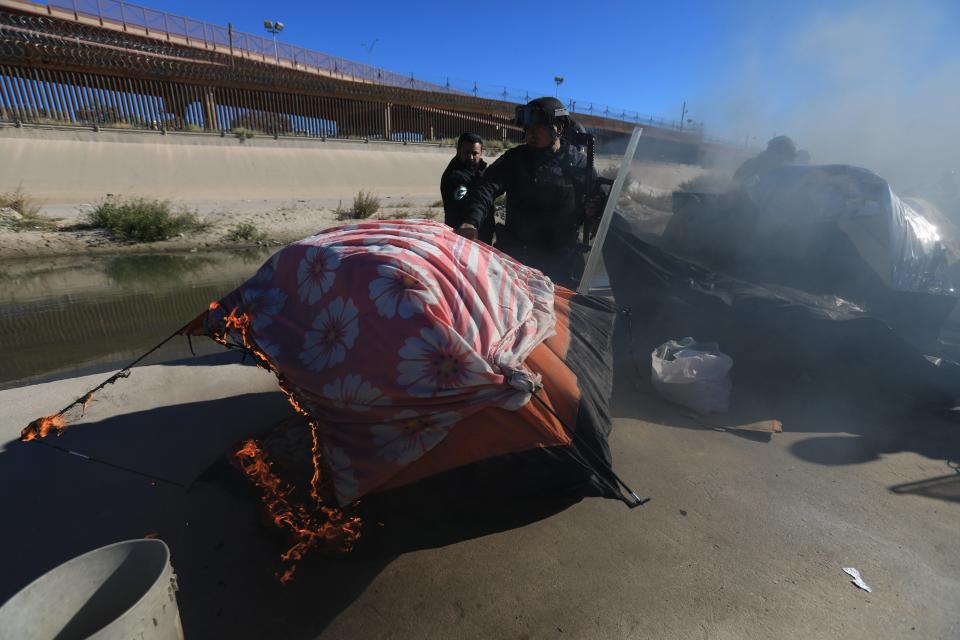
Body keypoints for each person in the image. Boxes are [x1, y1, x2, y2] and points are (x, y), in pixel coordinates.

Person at [456, 97, 601, 285]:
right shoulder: (516, 159)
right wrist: (471, 222)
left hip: (560, 262)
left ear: (560, 127)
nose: (530, 133)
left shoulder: (580, 164)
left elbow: (596, 209)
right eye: (527, 127)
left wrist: (594, 209)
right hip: (517, 259)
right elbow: (485, 188)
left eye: (538, 127)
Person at [440, 133, 494, 243]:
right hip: (462, 236)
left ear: (481, 153)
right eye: (466, 153)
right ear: (458, 151)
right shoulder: (454, 177)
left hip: (484, 235)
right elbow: (464, 201)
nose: (471, 157)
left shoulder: (481, 171)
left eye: (475, 153)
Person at [733, 135, 800, 185]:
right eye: (788, 158)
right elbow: (733, 188)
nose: (790, 163)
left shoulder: (786, 173)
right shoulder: (752, 166)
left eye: (791, 159)